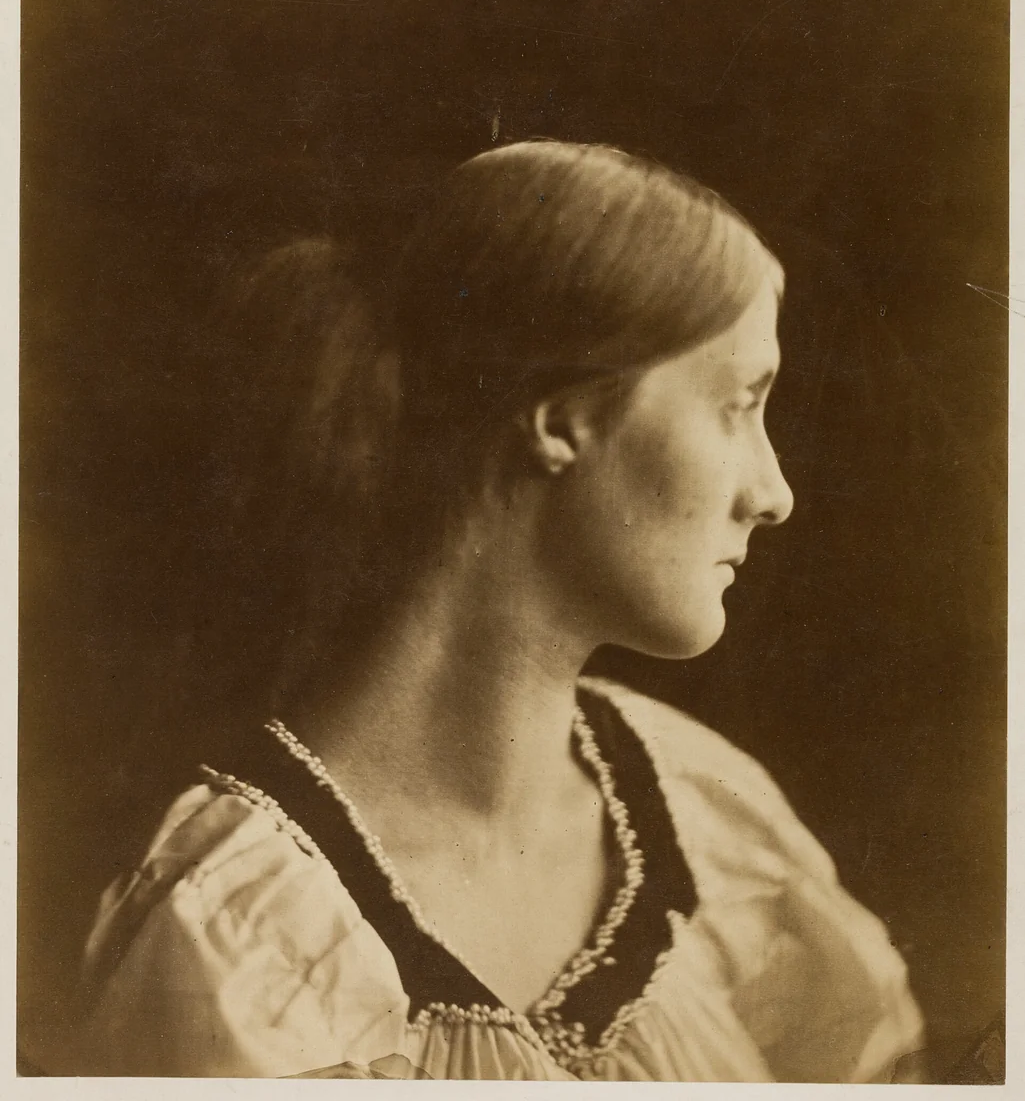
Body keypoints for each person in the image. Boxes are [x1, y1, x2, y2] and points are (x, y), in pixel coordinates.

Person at [69, 141, 924, 1080]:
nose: (772, 492)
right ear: (561, 421)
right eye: (735, 404)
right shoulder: (246, 937)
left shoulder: (699, 809)